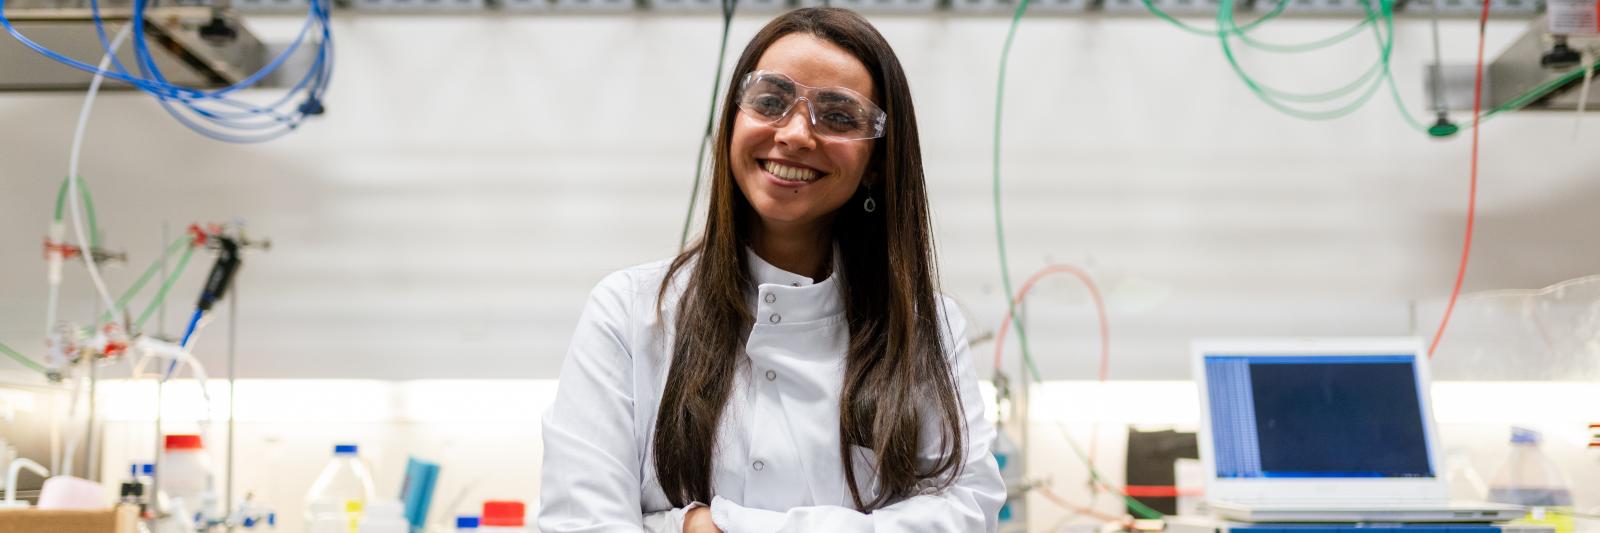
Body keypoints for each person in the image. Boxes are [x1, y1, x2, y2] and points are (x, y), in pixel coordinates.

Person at [537, 7, 1004, 532]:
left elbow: (966, 510)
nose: (797, 134)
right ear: (734, 119)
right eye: (771, 102)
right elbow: (580, 523)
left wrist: (705, 526)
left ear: (876, 161)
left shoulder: (925, 328)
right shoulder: (629, 312)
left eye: (840, 116)